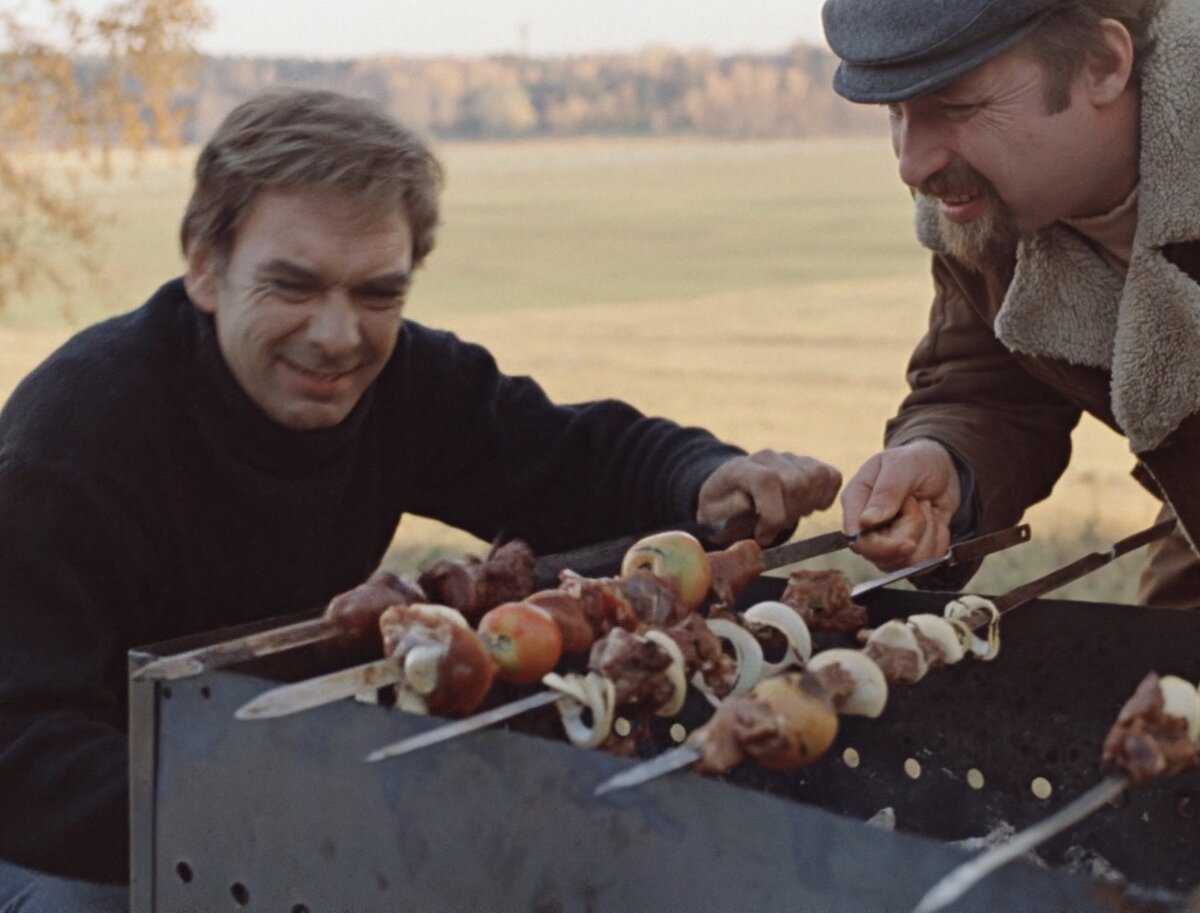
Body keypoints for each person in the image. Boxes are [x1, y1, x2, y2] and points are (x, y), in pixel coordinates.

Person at [0, 89, 842, 911]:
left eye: (378, 294)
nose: (337, 336)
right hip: (70, 839)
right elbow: (23, 753)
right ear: (204, 266)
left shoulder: (400, 380)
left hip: (273, 771)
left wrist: (699, 476)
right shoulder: (76, 438)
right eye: (293, 286)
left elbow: (566, 459)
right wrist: (295, 811)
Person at [821, 0, 1200, 607]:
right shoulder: (986, 213)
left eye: (958, 107)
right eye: (897, 111)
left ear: (1102, 65)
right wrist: (948, 463)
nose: (913, 165)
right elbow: (992, 384)